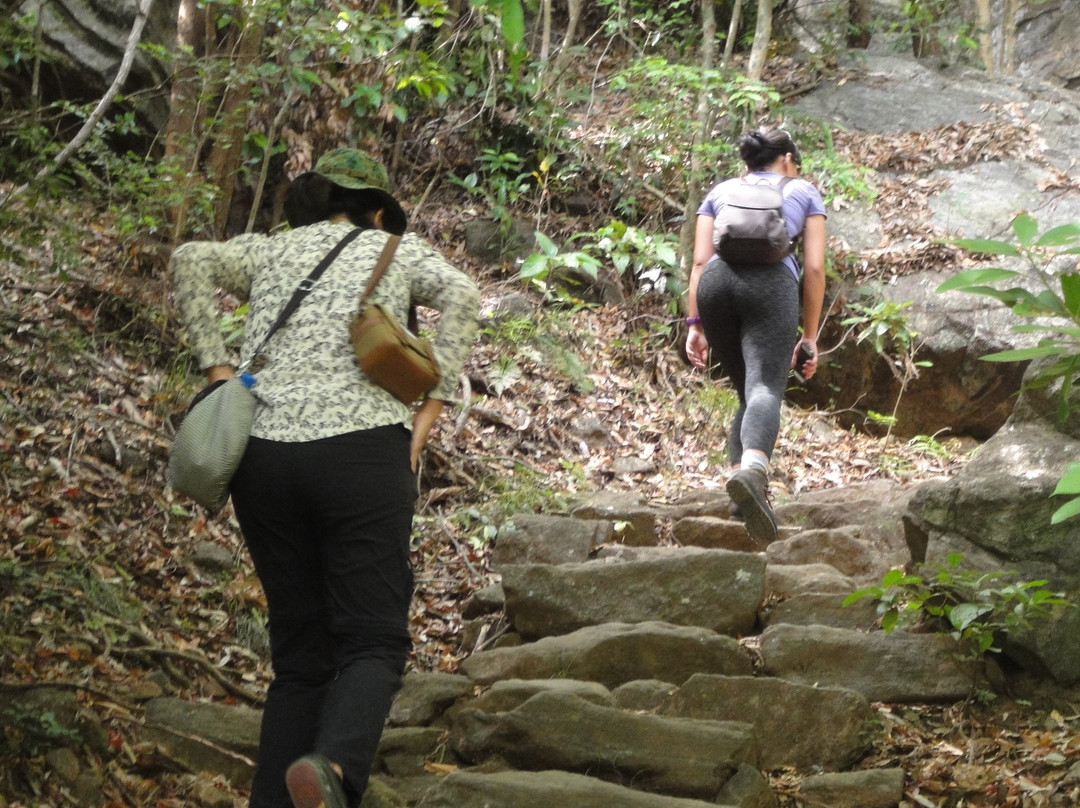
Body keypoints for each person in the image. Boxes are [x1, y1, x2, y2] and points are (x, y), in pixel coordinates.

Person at [170, 147, 480, 808]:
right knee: (372, 638)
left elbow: (189, 258)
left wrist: (219, 371)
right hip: (361, 451)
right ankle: (335, 769)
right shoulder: (393, 250)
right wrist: (429, 407)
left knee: (300, 658)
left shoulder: (271, 252)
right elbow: (464, 292)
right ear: (374, 208)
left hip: (261, 457)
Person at [684, 127, 826, 545]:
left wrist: (695, 324)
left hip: (715, 285)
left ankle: (739, 494)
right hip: (771, 286)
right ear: (785, 160)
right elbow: (815, 268)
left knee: (749, 394)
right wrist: (810, 336)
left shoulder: (721, 190)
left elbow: (698, 261)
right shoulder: (803, 191)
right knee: (765, 386)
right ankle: (753, 473)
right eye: (795, 163)